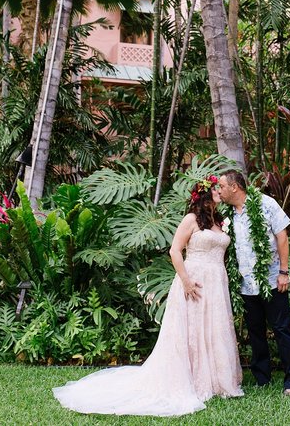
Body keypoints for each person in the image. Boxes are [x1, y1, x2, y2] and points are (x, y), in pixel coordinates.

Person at [53, 178, 243, 417]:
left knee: (213, 329)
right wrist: (185, 280)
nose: (219, 192)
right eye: (215, 188)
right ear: (203, 195)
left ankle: (217, 381)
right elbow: (175, 249)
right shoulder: (191, 220)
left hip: (216, 282)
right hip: (193, 280)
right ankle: (192, 380)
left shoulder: (219, 221)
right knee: (192, 330)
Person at [217, 169, 290, 395]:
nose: (219, 191)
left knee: (282, 329)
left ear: (234, 187)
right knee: (256, 332)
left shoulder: (266, 204)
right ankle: (262, 378)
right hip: (245, 284)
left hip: (272, 280)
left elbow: (282, 237)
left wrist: (284, 271)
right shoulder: (225, 214)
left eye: (222, 186)